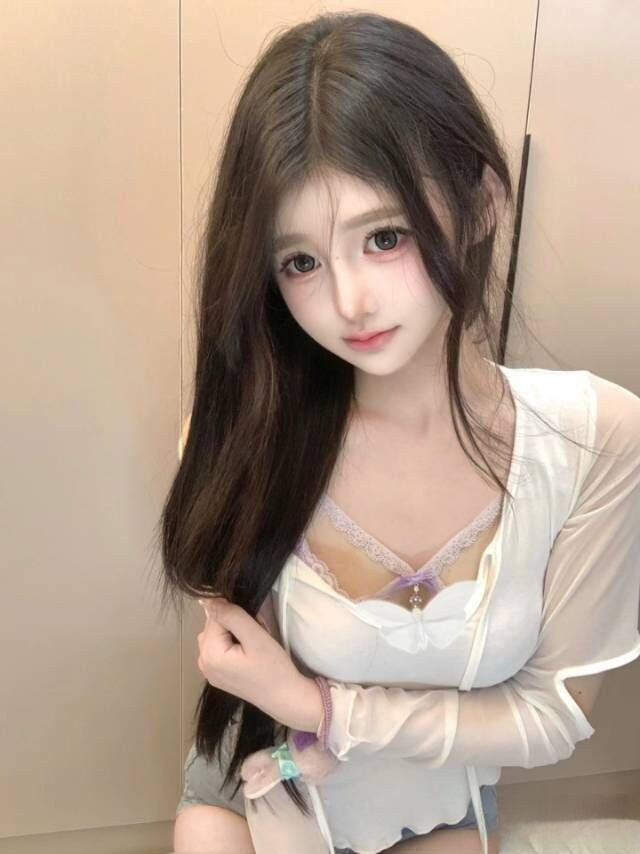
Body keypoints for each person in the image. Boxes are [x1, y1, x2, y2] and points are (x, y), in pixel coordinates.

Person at [158, 11, 640, 854]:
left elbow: (552, 714)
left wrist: (322, 706)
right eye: (301, 261)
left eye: (384, 237)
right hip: (269, 785)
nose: (349, 303)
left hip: (439, 796)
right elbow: (253, 706)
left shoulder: (595, 440)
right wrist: (298, 719)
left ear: (482, 204)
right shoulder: (242, 438)